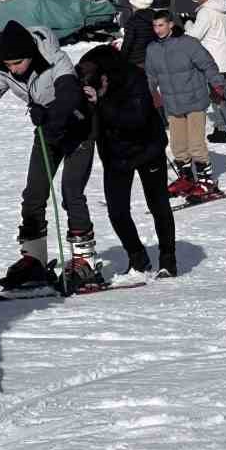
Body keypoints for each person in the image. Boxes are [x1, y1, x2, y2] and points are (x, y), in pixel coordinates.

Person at [0, 19, 102, 293]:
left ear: (31, 56)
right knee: (34, 194)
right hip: (47, 132)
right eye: (9, 64)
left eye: (18, 63)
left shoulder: (54, 59)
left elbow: (70, 96)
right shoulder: (6, 70)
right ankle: (34, 259)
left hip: (78, 126)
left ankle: (84, 261)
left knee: (71, 193)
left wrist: (48, 114)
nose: (13, 69)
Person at [76, 44, 177, 280]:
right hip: (115, 155)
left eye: (93, 72)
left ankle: (168, 260)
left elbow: (136, 118)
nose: (89, 78)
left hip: (147, 149)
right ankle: (138, 257)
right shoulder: (91, 84)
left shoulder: (133, 77)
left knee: (158, 205)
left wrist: (101, 102)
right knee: (117, 211)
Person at [145, 10, 226, 198]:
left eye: (161, 25)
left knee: (196, 144)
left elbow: (208, 64)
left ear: (171, 25)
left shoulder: (188, 44)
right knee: (178, 145)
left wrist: (217, 86)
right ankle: (187, 177)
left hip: (194, 101)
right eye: (155, 26)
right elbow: (150, 76)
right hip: (172, 103)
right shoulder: (152, 49)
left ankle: (207, 181)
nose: (157, 30)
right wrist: (149, 94)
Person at [189, 0, 226, 142]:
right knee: (220, 95)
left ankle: (222, 129)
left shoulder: (206, 12)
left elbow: (194, 36)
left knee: (215, 96)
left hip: (214, 61)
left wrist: (188, 24)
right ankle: (221, 128)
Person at [121, 0, 156, 68]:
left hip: (136, 60)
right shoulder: (157, 18)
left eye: (133, 6)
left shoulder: (133, 21)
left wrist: (121, 58)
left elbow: (128, 43)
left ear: (136, 6)